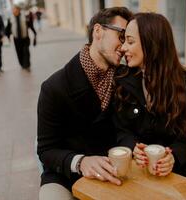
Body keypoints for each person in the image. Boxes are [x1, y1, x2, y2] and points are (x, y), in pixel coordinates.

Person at [37, 7, 133, 199]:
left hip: (115, 171)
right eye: (121, 36)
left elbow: (130, 129)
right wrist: (81, 162)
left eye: (129, 39)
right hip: (66, 175)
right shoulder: (54, 87)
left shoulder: (126, 78)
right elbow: (47, 150)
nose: (124, 47)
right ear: (98, 31)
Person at [113, 12, 186, 180]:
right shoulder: (123, 80)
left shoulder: (185, 83)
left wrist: (174, 158)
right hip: (143, 171)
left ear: (152, 44)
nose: (123, 48)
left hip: (184, 171)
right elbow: (121, 130)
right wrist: (132, 147)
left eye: (130, 41)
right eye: (124, 40)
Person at [5, 5, 37, 71]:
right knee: (19, 52)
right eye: (13, 10)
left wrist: (34, 33)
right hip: (16, 39)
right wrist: (8, 36)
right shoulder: (10, 18)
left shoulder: (25, 17)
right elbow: (8, 29)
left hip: (25, 38)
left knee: (26, 51)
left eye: (15, 10)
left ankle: (27, 65)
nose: (14, 11)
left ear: (19, 10)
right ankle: (22, 64)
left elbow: (30, 25)